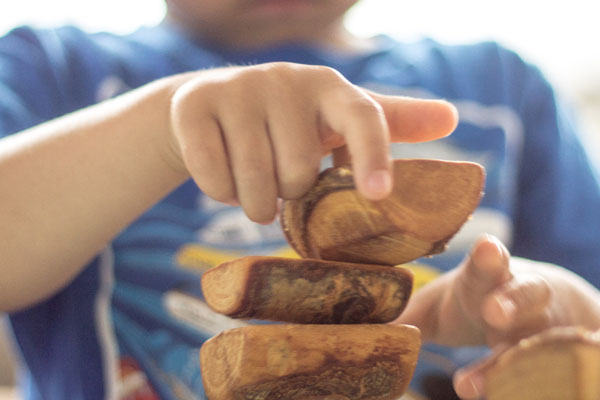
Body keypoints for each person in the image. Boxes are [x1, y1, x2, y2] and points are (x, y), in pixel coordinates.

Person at [0, 0, 599, 399]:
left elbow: (584, 303)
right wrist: (161, 129)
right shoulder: (56, 72)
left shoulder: (501, 85)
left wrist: (553, 309)